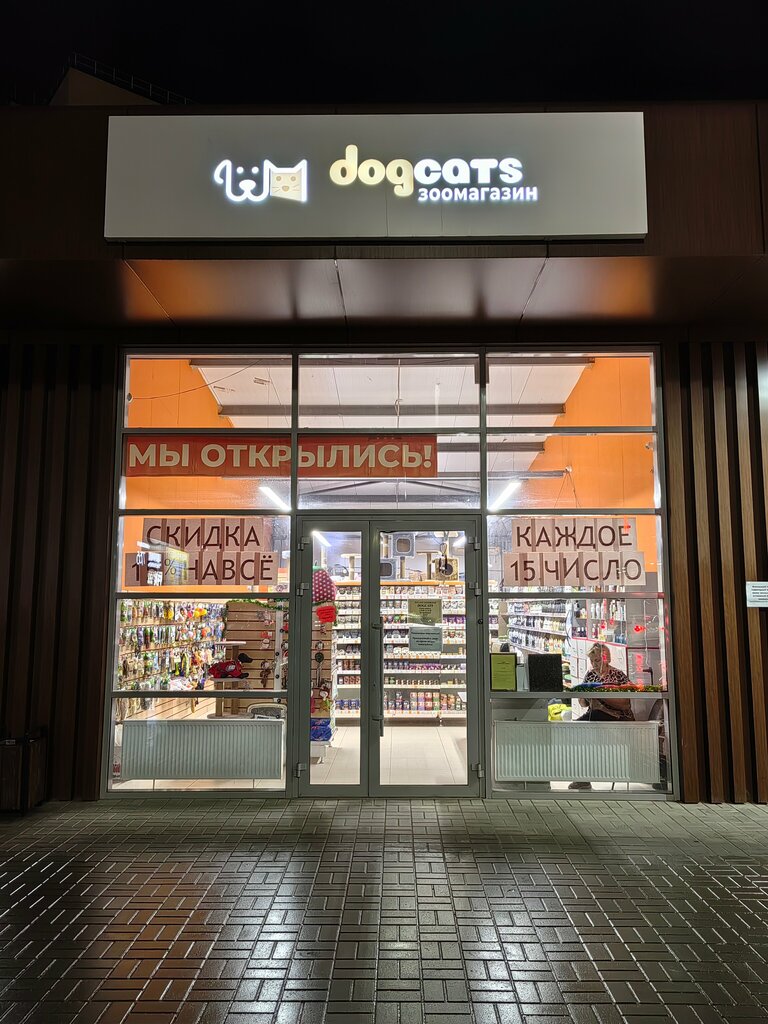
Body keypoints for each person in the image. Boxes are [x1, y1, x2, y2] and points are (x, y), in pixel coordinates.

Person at [568, 642, 634, 791]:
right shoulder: (590, 675)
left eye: (597, 660)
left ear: (606, 658)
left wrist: (601, 694)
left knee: (581, 729)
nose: (594, 664)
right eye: (592, 661)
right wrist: (584, 695)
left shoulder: (618, 675)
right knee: (574, 730)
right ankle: (582, 777)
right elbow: (583, 704)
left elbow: (625, 704)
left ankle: (583, 778)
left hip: (617, 718)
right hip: (595, 716)